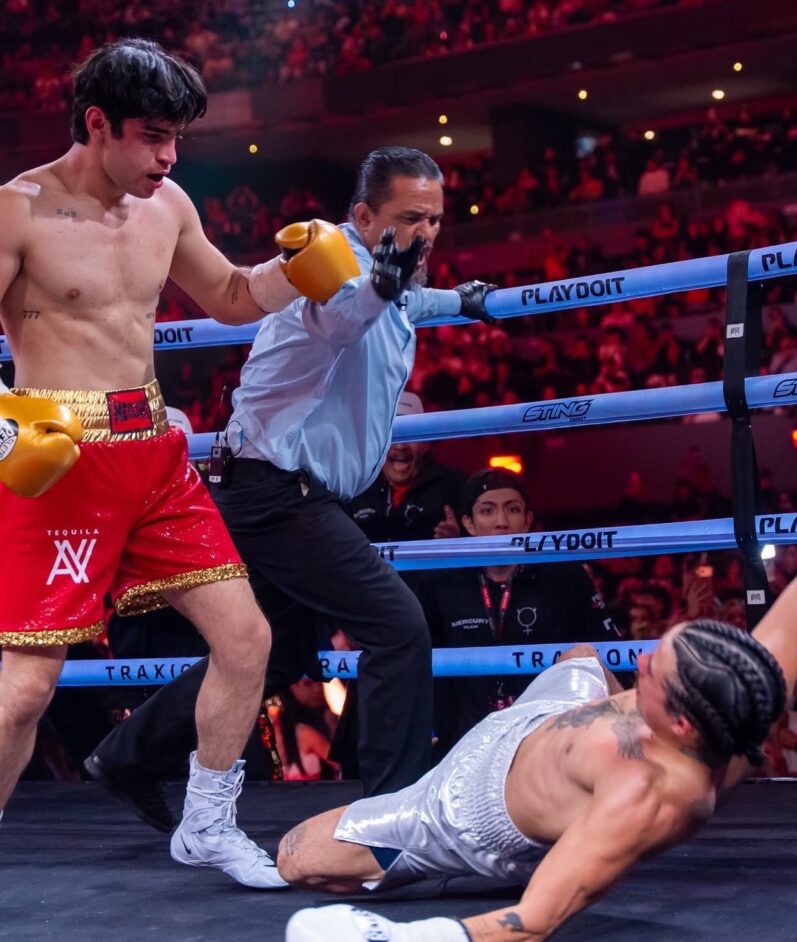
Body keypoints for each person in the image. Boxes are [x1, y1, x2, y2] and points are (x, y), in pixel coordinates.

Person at [277, 371, 797, 942]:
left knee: (297, 857)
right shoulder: (745, 688)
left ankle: (459, 866)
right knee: (581, 656)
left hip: (466, 809)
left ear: (682, 723)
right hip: (542, 721)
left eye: (657, 670)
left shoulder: (646, 795)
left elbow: (529, 925)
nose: (643, 663)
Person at [0, 38, 359, 888]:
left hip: (155, 453)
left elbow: (231, 297)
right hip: (62, 461)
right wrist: (6, 429)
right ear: (98, 123)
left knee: (246, 638)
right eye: (153, 137)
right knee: (26, 688)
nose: (168, 157)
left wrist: (297, 272)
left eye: (177, 140)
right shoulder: (17, 210)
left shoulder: (167, 205)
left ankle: (206, 826)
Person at [84, 146, 496, 828]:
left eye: (434, 219)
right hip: (279, 494)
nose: (425, 233)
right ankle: (389, 816)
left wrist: (459, 299)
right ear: (364, 216)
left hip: (278, 490)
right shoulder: (325, 268)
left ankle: (128, 756)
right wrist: (385, 287)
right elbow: (345, 313)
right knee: (398, 628)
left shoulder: (384, 276)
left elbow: (400, 300)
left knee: (272, 650)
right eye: (409, 219)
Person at [417, 467, 619, 755]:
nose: (501, 522)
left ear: (527, 520)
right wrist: (433, 727)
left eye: (512, 509)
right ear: (469, 523)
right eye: (487, 511)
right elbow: (420, 664)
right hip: (462, 743)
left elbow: (610, 651)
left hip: (548, 741)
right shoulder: (440, 582)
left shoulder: (564, 575)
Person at [345, 390, 466, 545]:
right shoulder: (354, 490)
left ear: (426, 443)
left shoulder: (455, 486)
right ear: (376, 443)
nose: (400, 446)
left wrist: (458, 542)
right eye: (392, 435)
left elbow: (481, 545)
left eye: (410, 434)